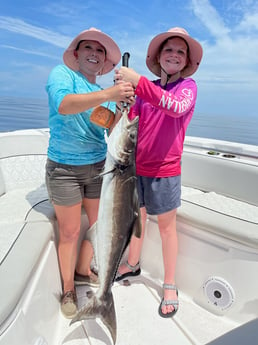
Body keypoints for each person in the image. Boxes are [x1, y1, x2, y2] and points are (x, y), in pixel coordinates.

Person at [45, 27, 135, 319]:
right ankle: (69, 287)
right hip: (64, 168)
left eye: (100, 51)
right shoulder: (63, 75)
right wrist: (110, 92)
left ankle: (85, 271)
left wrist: (122, 109)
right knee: (70, 232)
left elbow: (110, 128)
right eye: (88, 49)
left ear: (105, 60)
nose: (94, 54)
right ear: (76, 54)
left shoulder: (108, 95)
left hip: (99, 169)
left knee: (100, 229)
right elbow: (64, 105)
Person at [114, 27, 203, 318]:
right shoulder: (145, 89)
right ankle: (132, 263)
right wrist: (122, 99)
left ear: (187, 60)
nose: (174, 55)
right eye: (169, 50)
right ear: (159, 56)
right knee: (138, 221)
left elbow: (176, 108)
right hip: (135, 168)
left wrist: (138, 82)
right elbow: (131, 119)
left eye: (180, 51)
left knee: (166, 229)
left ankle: (169, 284)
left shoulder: (188, 88)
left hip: (165, 170)